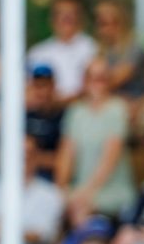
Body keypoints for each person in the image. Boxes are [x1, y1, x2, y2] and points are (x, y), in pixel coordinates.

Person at [55, 59, 137, 225]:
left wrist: (85, 193)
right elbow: (66, 154)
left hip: (111, 191)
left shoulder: (118, 109)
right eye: (93, 78)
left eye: (102, 78)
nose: (97, 83)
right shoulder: (75, 112)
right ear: (85, 81)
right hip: (81, 191)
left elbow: (111, 157)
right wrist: (62, 188)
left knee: (81, 212)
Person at [26, 0, 97, 101]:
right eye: (61, 14)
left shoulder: (92, 48)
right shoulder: (37, 52)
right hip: (46, 110)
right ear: (52, 19)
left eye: (71, 14)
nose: (66, 18)